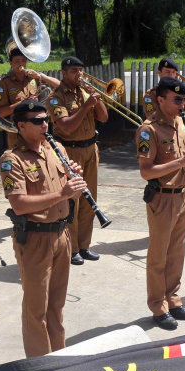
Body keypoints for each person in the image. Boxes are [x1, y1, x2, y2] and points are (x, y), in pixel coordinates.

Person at [0, 100, 86, 357]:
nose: (45, 124)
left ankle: (59, 357)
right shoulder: (11, 159)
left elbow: (71, 194)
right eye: (37, 121)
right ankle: (39, 368)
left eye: (45, 118)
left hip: (62, 234)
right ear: (21, 126)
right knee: (37, 309)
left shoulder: (55, 147)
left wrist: (74, 185)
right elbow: (19, 204)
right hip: (35, 238)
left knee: (57, 306)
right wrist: (62, 193)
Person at [135, 77, 185, 330]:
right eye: (177, 100)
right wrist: (182, 162)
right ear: (160, 99)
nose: (182, 104)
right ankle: (158, 306)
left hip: (184, 195)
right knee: (159, 256)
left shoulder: (181, 123)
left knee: (177, 253)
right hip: (162, 198)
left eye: (184, 99)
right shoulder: (148, 129)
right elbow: (147, 171)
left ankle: (173, 300)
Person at [46, 56, 108, 266]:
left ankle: (84, 246)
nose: (79, 75)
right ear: (63, 73)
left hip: (91, 149)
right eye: (74, 71)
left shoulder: (85, 91)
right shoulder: (56, 98)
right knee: (73, 200)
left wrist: (95, 100)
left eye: (80, 71)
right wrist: (86, 106)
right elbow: (66, 127)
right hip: (70, 152)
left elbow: (104, 117)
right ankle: (71, 250)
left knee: (90, 199)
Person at [0, 46, 61, 147]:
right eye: (17, 61)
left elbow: (60, 86)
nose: (20, 64)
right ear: (10, 63)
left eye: (23, 61)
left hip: (37, 129)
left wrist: (40, 76)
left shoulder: (34, 78)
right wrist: (23, 103)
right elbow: (1, 112)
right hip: (17, 132)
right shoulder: (4, 83)